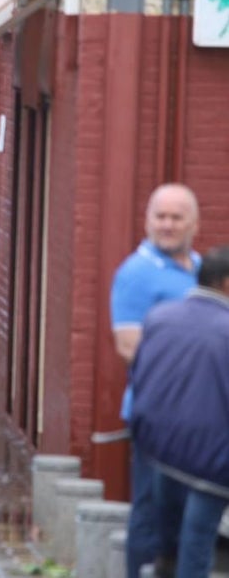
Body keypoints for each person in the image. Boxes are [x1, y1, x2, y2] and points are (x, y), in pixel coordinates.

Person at [110, 183, 201, 578]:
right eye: (160, 216)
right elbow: (129, 345)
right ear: (147, 221)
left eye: (176, 217)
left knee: (185, 517)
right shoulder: (136, 274)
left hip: (200, 419)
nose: (167, 225)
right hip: (157, 416)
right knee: (150, 514)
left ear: (193, 223)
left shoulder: (201, 270)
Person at [129, 244, 229, 578]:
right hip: (212, 462)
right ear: (225, 284)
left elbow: (139, 379)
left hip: (160, 452)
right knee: (197, 548)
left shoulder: (160, 317)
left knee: (166, 546)